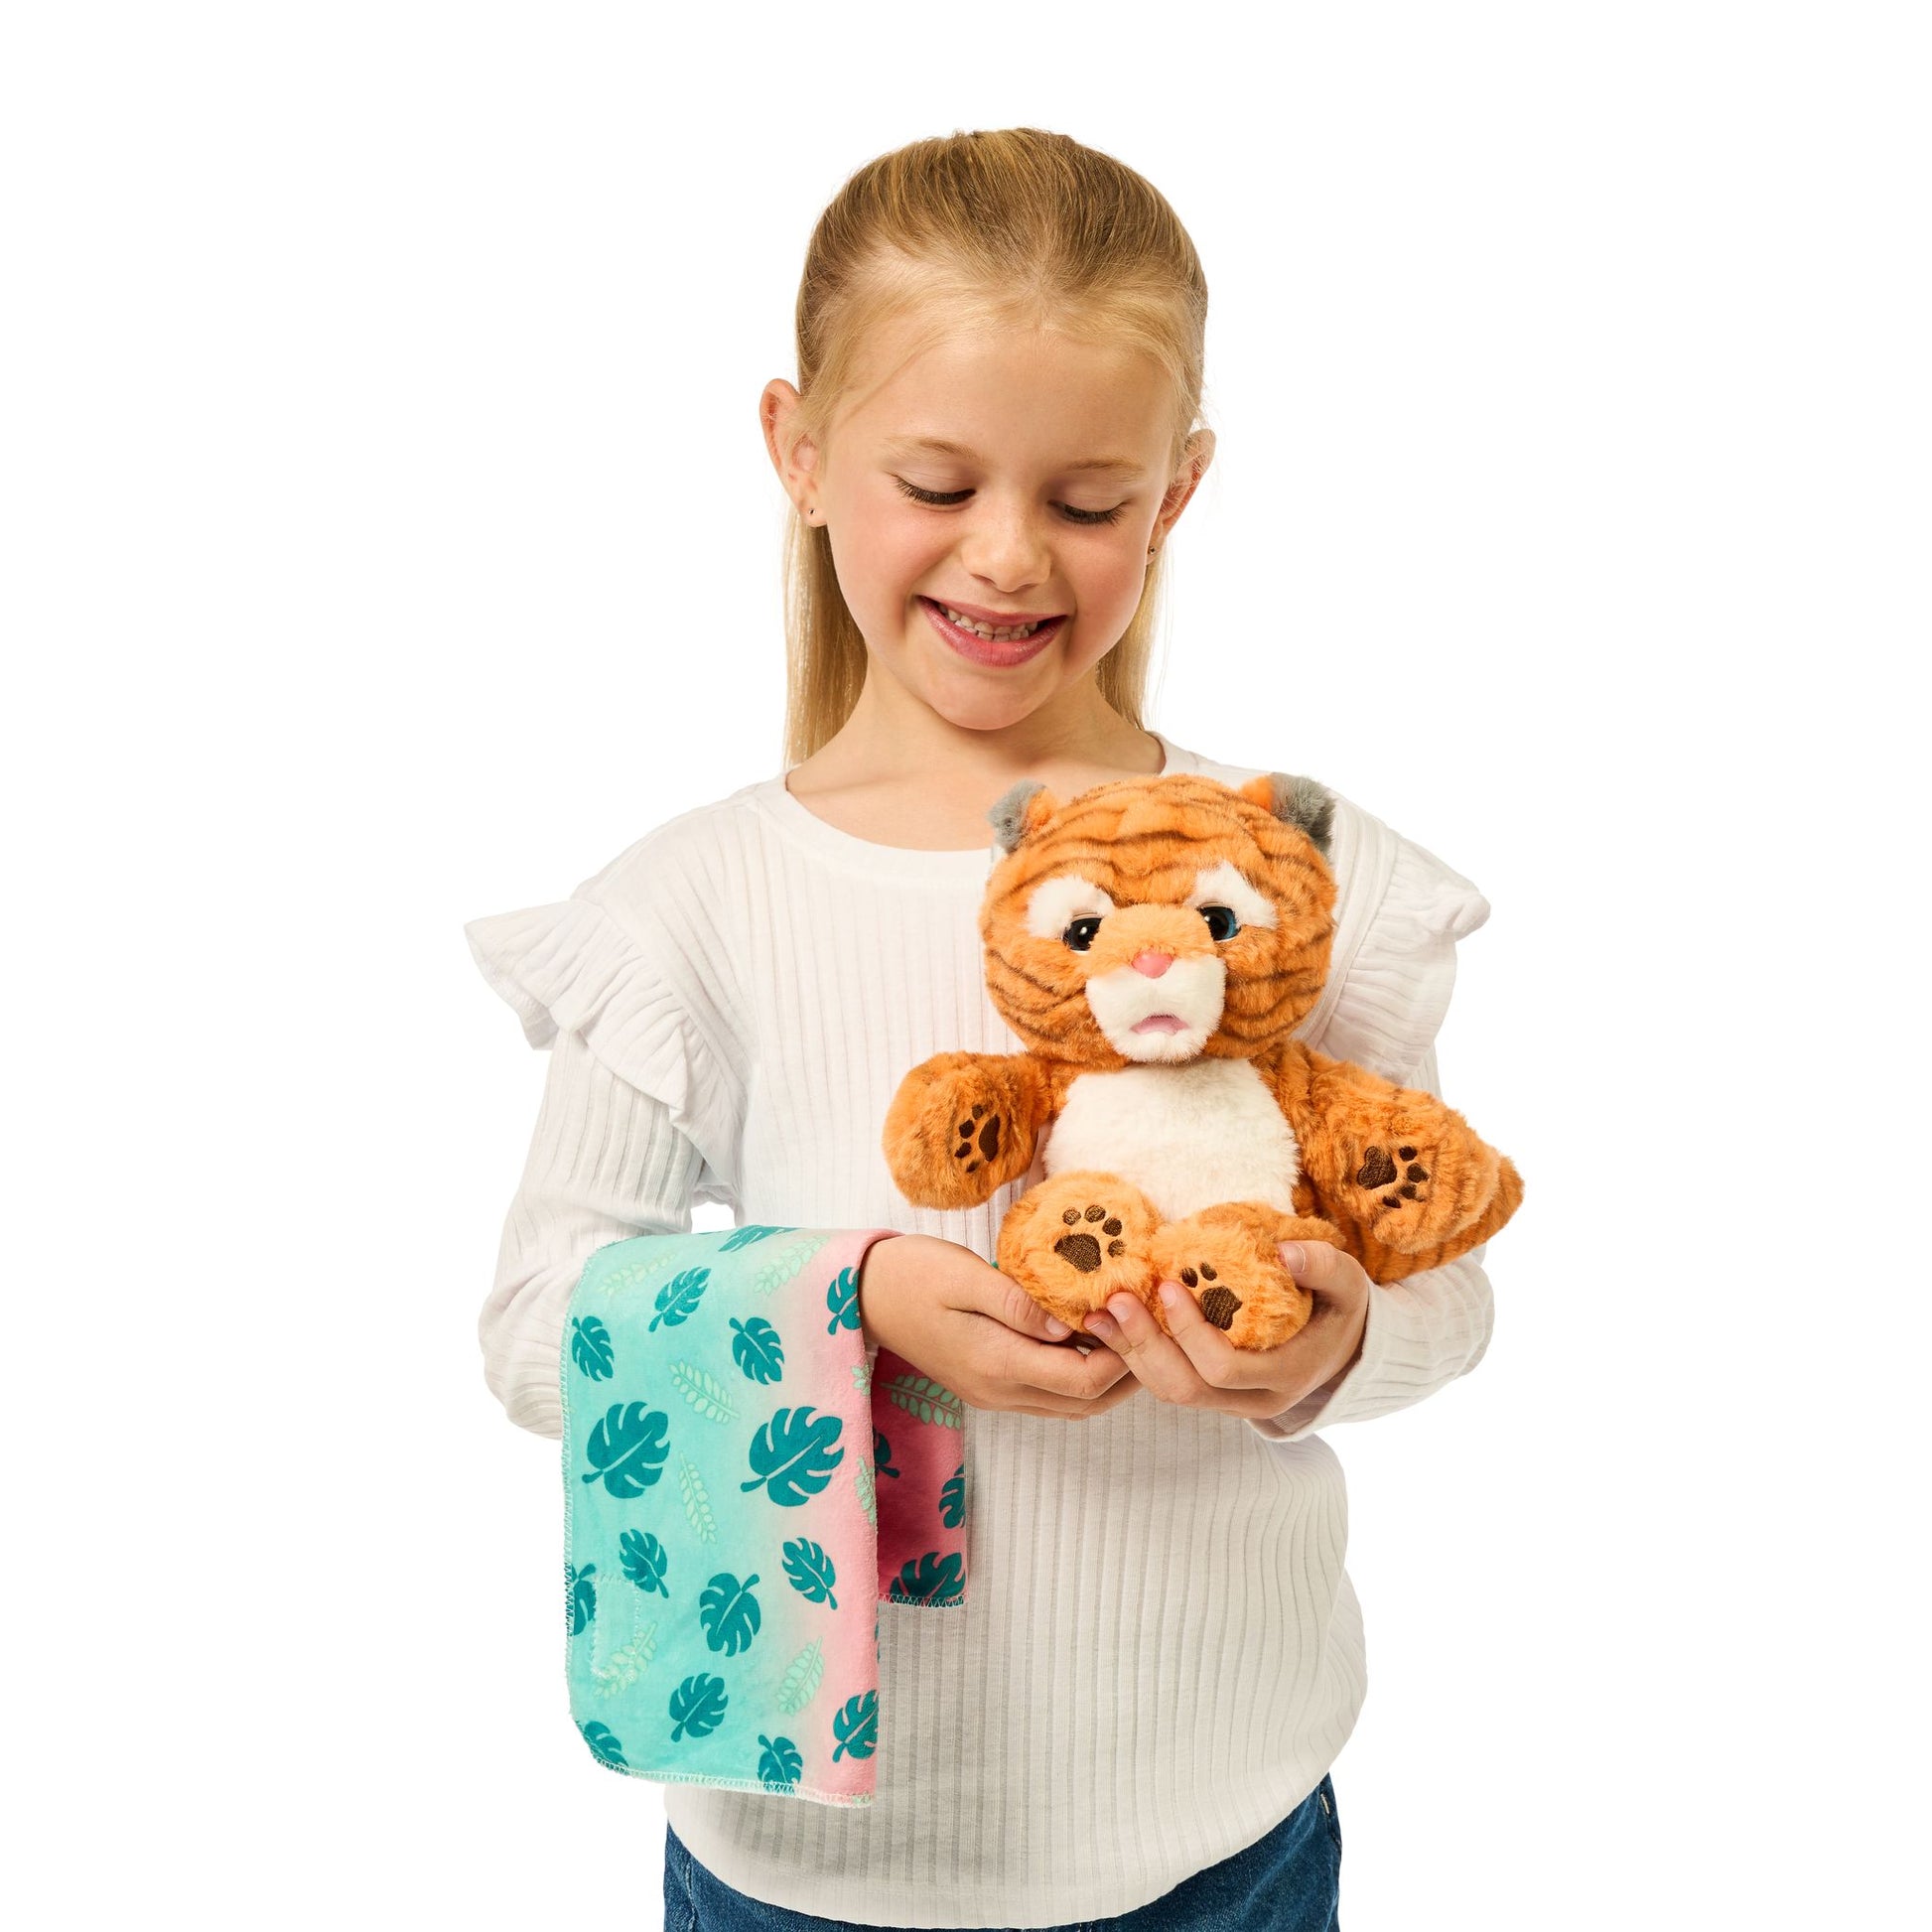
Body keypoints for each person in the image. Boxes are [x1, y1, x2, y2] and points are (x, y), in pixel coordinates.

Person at [466, 127, 1500, 1932]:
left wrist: (1333, 1345)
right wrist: (850, 1296)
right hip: (805, 1868)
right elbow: (536, 1336)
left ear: (1176, 492)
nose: (1009, 557)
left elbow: (1446, 1285)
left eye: (1087, 502)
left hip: (1225, 1823)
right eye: (935, 481)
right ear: (798, 451)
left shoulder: (1281, 878)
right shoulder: (691, 905)